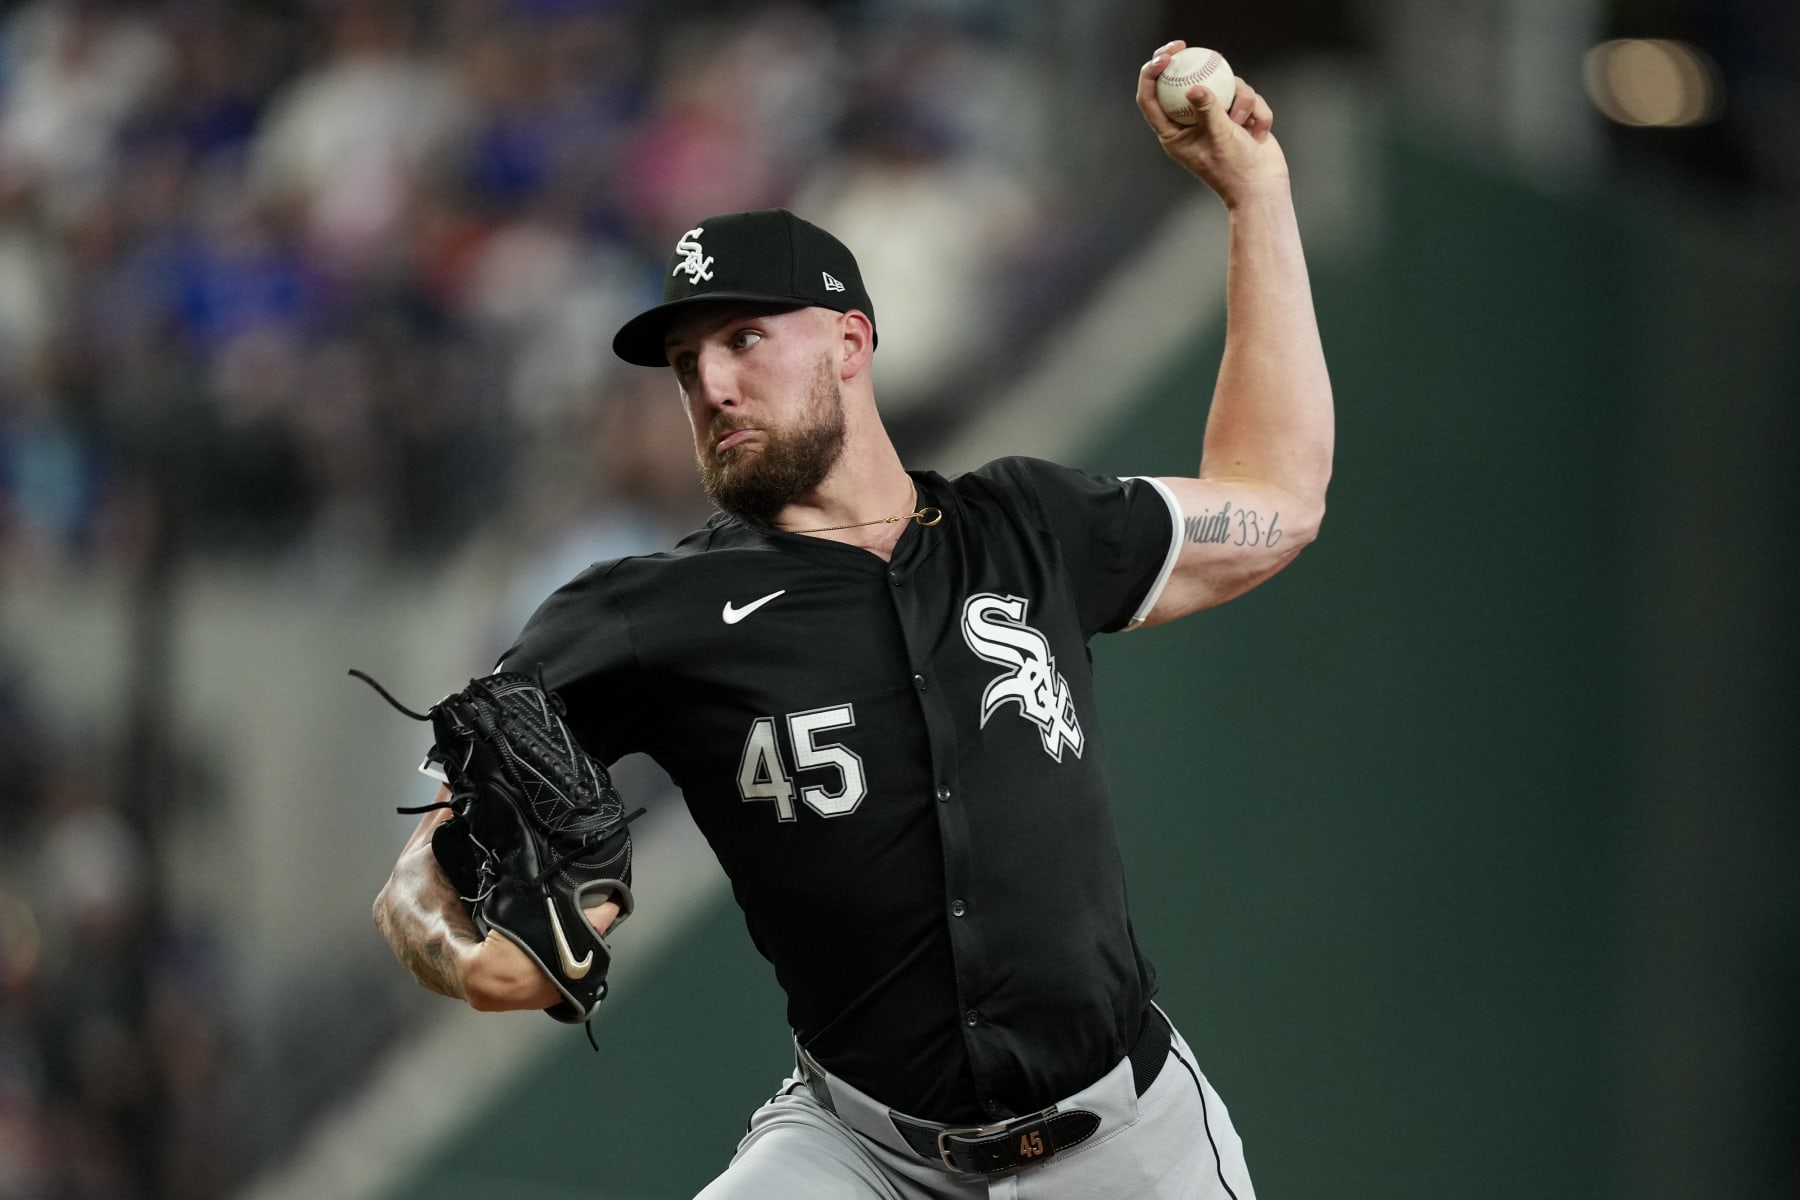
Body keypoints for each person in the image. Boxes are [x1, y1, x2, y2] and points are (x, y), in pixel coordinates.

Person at [373, 41, 1332, 1200]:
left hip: (1130, 1147)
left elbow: (1273, 506)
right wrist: (442, 932)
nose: (711, 386)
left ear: (849, 341)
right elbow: (452, 801)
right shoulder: (650, 611)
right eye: (685, 366)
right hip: (860, 1155)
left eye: (742, 340)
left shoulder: (1024, 527)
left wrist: (1258, 195)